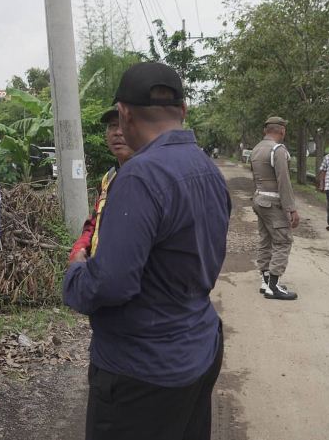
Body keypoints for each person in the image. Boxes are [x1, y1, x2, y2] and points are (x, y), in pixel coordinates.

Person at [64, 62, 231, 440]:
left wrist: (76, 272)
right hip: (198, 346)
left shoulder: (140, 175)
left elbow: (111, 284)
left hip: (142, 370)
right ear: (183, 111)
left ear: (123, 114)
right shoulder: (207, 169)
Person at [68, 108, 134, 262]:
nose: (118, 132)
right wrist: (80, 248)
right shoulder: (109, 177)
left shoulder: (148, 178)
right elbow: (93, 223)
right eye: (112, 126)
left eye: (124, 126)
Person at [250, 116, 300, 300]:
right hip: (273, 202)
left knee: (265, 239)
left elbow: (255, 178)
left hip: (259, 199)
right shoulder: (277, 150)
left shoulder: (256, 149)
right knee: (283, 240)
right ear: (282, 130)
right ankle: (274, 287)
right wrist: (291, 208)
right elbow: (283, 181)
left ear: (266, 130)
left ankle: (266, 281)